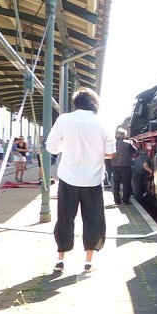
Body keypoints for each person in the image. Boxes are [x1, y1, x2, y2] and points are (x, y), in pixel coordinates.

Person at [46, 87, 114, 274]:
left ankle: (60, 260)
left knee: (65, 218)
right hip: (92, 180)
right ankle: (88, 262)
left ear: (76, 102)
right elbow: (110, 153)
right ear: (95, 104)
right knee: (93, 219)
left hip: (68, 177)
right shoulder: (102, 123)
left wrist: (66, 147)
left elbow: (51, 147)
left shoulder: (64, 119)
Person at [111, 128, 137, 204]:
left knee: (116, 184)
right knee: (126, 184)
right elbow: (135, 151)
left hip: (115, 165)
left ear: (117, 135)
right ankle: (125, 200)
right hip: (126, 166)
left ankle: (117, 200)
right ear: (124, 135)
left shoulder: (113, 143)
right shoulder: (128, 143)